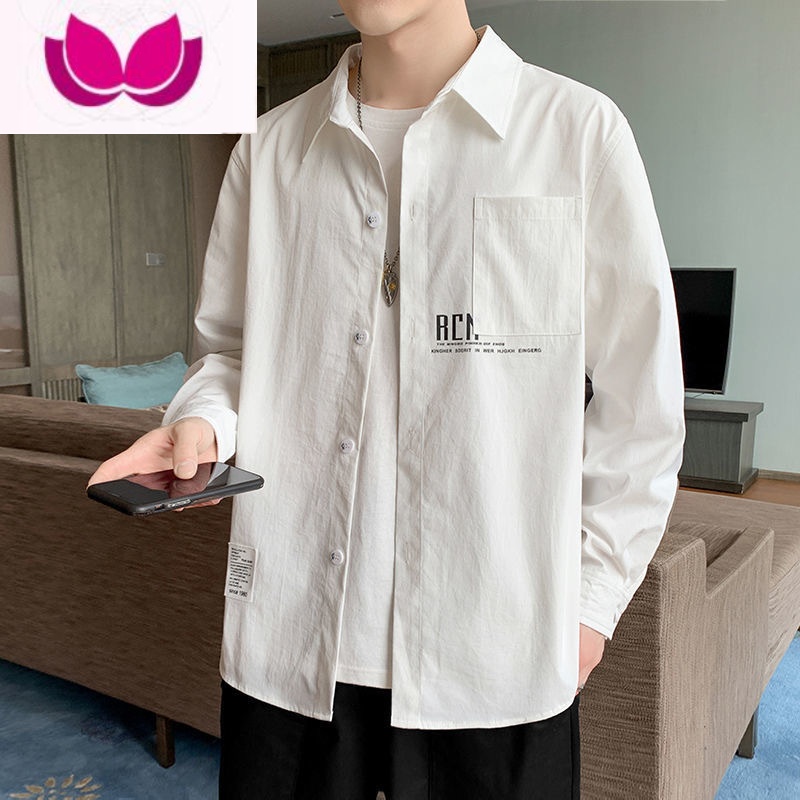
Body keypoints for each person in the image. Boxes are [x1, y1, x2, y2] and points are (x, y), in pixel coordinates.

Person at [89, 0, 685, 797]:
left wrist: (590, 606)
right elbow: (231, 351)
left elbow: (643, 405)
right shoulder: (269, 150)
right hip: (289, 646)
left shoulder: (576, 132)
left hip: (498, 656)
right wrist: (202, 420)